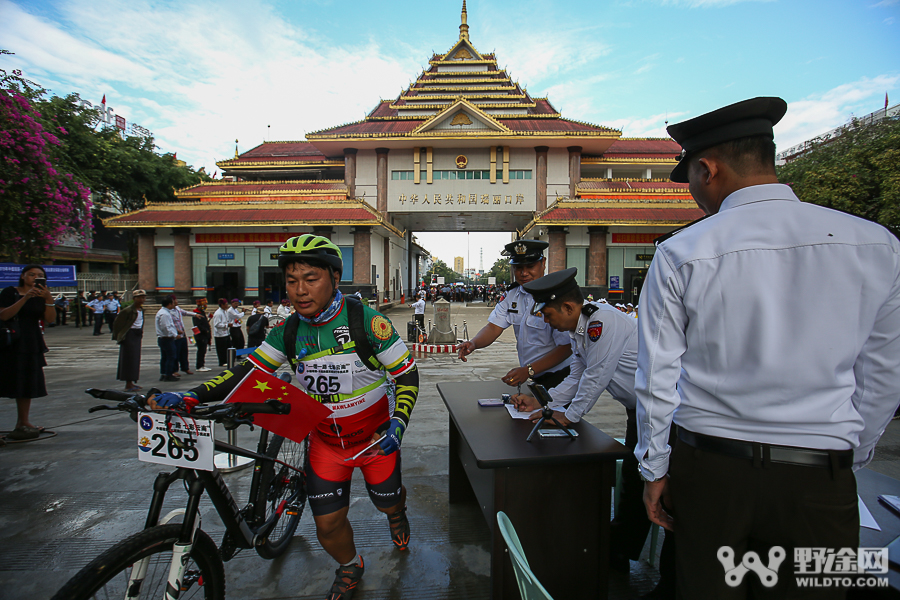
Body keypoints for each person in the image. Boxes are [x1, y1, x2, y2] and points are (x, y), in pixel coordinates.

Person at [635, 97, 900, 600]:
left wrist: (655, 469)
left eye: (689, 177)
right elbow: (885, 374)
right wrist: (845, 456)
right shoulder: (877, 245)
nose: (692, 192)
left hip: (712, 474)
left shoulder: (683, 252)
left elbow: (658, 378)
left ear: (707, 168)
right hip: (820, 479)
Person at [151, 234, 420, 600]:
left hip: (374, 442)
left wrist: (398, 423)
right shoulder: (288, 331)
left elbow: (406, 375)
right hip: (326, 445)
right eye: (291, 281)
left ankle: (395, 513)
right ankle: (350, 564)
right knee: (326, 525)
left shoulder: (366, 323)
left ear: (335, 279)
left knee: (387, 500)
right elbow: (247, 372)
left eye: (311, 279)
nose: (299, 290)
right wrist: (191, 396)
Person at [510, 267, 676, 594]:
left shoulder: (602, 323)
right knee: (633, 478)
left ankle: (673, 581)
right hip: (640, 411)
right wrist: (543, 404)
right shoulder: (580, 329)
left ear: (569, 308)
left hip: (669, 415)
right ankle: (619, 550)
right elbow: (576, 376)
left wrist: (567, 418)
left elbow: (596, 378)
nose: (545, 321)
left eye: (547, 314)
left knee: (668, 491)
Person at [457, 239, 572, 390]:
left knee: (556, 413)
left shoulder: (557, 297)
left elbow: (567, 346)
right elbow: (493, 327)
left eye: (530, 266)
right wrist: (474, 343)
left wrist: (528, 370)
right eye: (518, 268)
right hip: (534, 377)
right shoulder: (513, 294)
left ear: (543, 263)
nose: (524, 273)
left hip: (561, 377)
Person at [0, 264, 55, 441]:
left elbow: (50, 318)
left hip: (31, 342)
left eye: (39, 275)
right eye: (31, 274)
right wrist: (25, 298)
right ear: (23, 276)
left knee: (26, 383)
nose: (34, 278)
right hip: (10, 342)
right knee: (8, 379)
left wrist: (48, 299)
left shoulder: (41, 296)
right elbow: (3, 315)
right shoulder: (10, 292)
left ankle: (23, 421)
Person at [113, 289, 147, 392]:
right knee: (128, 360)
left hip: (137, 334)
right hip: (129, 335)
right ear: (134, 299)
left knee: (135, 359)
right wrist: (120, 336)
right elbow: (117, 324)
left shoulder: (141, 310)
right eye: (140, 297)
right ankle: (128, 383)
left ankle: (132, 382)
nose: (142, 299)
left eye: (143, 297)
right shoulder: (127, 310)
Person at [155, 296, 180, 382]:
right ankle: (168, 374)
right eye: (173, 302)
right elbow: (165, 327)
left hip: (164, 338)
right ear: (169, 304)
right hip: (166, 338)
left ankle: (164, 373)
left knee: (165, 357)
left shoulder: (164, 312)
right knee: (171, 356)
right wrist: (174, 335)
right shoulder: (164, 314)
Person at [168, 295, 193, 376]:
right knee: (176, 353)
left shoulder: (177, 309)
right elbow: (168, 325)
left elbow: (185, 313)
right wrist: (175, 332)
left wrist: (195, 314)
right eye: (175, 300)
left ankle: (185, 368)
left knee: (184, 351)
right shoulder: (168, 312)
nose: (177, 301)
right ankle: (174, 370)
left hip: (182, 333)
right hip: (176, 334)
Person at [192, 298, 212, 372]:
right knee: (201, 350)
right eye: (204, 305)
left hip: (204, 335)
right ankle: (199, 365)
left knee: (203, 351)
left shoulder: (202, 313)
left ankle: (202, 365)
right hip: (201, 336)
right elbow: (198, 325)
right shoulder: (196, 314)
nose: (205, 306)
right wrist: (205, 330)